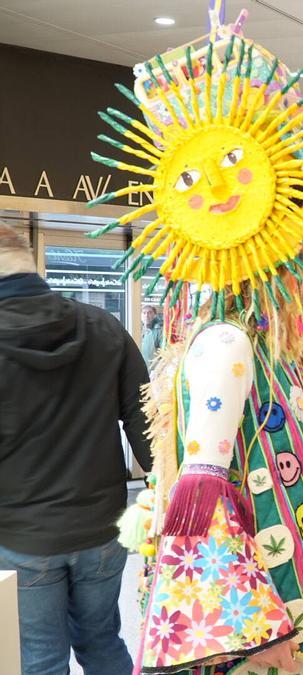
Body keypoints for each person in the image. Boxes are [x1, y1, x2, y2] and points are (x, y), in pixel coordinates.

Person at [90, 23, 303, 673]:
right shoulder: (227, 343)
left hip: (279, 606)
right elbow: (199, 492)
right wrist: (256, 629)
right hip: (262, 629)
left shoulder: (256, 346)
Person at [0, 223, 151, 675]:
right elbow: (147, 420)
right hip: (104, 526)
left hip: (21, 535)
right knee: (103, 640)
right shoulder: (103, 326)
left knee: (41, 658)